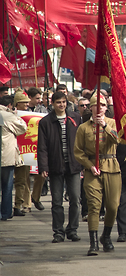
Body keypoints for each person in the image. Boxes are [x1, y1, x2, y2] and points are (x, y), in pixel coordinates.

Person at [73, 93, 121, 255]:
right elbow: (78, 152)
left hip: (112, 167)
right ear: (91, 107)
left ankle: (105, 236)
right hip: (93, 170)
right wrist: (89, 165)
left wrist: (105, 126)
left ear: (107, 108)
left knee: (113, 207)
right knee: (94, 207)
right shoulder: (83, 127)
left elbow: (118, 140)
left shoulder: (113, 123)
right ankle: (93, 243)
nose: (99, 108)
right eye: (96, 105)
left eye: (102, 105)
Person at [37, 91, 82, 242]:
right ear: (52, 104)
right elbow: (42, 147)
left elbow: (81, 141)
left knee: (75, 199)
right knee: (57, 201)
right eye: (58, 102)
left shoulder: (75, 118)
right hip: (56, 165)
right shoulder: (45, 122)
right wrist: (43, 167)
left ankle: (73, 229)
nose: (61, 105)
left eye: (63, 102)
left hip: (74, 165)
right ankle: (58, 231)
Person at [0, 95, 27, 220]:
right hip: (6, 157)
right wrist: (14, 114)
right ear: (10, 105)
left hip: (5, 156)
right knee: (7, 186)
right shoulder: (8, 116)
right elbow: (23, 128)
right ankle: (5, 212)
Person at [13, 90, 32, 216]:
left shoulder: (31, 116)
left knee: (22, 181)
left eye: (27, 102)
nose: (26, 105)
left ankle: (18, 205)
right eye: (24, 103)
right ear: (17, 104)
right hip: (11, 152)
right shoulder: (11, 116)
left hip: (24, 154)